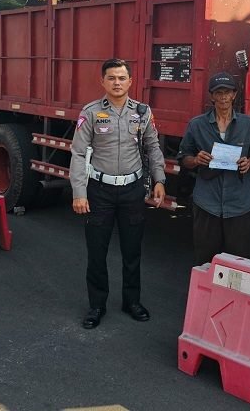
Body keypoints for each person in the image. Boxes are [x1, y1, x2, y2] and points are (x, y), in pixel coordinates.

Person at [70, 59, 167, 329]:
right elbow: (78, 153)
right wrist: (80, 192)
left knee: (132, 250)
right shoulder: (90, 113)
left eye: (122, 78)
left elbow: (152, 147)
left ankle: (131, 301)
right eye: (111, 78)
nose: (116, 83)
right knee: (97, 251)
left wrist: (159, 179)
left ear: (130, 81)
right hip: (99, 191)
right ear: (102, 81)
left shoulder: (143, 112)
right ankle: (96, 305)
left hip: (132, 191)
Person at [177, 71, 250, 264]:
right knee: (206, 259)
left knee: (239, 261)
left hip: (240, 203)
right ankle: (206, 293)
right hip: (208, 201)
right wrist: (196, 160)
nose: (223, 97)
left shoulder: (247, 124)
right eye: (219, 93)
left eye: (227, 92)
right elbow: (183, 157)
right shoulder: (197, 125)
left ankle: (233, 295)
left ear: (234, 95)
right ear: (212, 96)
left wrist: (249, 163)